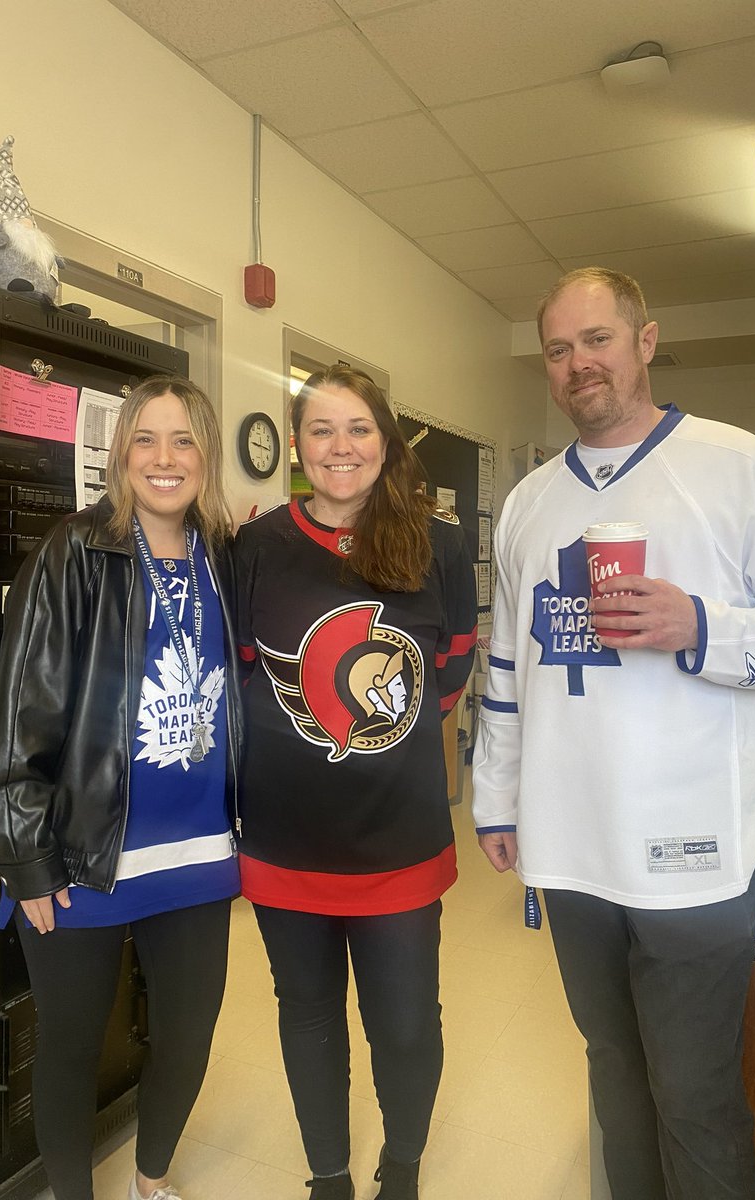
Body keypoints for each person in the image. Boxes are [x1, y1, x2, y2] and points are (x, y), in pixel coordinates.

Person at [472, 267, 755, 1200]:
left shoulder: (741, 468)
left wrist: (701, 627)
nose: (578, 364)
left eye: (597, 340)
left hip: (696, 852)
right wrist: (498, 800)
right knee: (613, 1076)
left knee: (695, 1092)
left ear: (645, 340)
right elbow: (507, 668)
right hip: (571, 845)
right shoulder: (528, 504)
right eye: (558, 349)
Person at [0, 376, 241, 1200]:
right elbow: (22, 708)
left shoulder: (225, 556)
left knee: (190, 1040)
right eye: (146, 441)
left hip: (198, 851)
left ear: (206, 456)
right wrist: (26, 858)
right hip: (84, 851)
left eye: (184, 441)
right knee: (69, 1049)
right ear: (121, 453)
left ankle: (150, 1181)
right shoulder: (74, 549)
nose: (165, 460)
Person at [233, 365, 477, 1200]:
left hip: (400, 841)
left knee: (404, 1028)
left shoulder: (439, 545)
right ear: (297, 446)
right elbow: (239, 678)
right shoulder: (256, 547)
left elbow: (445, 682)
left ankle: (401, 1166)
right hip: (283, 842)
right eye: (321, 430)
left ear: (386, 440)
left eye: (359, 429)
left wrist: (371, 741)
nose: (341, 448)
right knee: (307, 1018)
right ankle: (327, 1178)